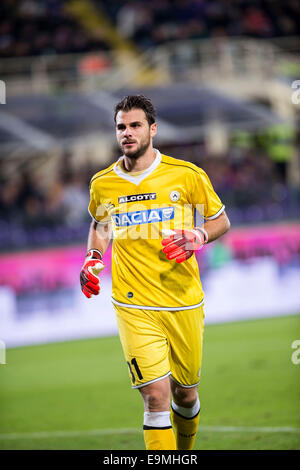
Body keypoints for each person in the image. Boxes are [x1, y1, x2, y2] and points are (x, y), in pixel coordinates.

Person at [80, 95, 230, 450]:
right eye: (121, 127)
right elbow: (101, 226)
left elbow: (220, 220)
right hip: (133, 303)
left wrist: (199, 235)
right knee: (155, 396)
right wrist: (91, 256)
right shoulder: (103, 183)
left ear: (153, 129)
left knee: (185, 395)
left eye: (135, 125)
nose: (127, 133)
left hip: (182, 300)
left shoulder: (186, 175)